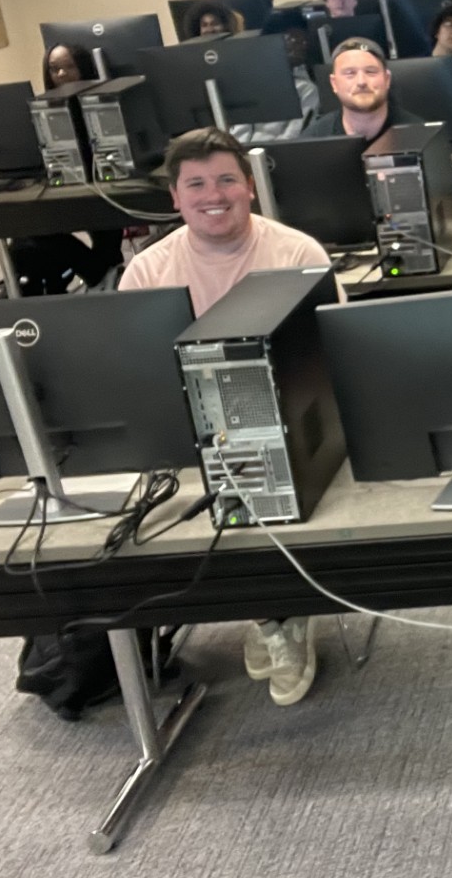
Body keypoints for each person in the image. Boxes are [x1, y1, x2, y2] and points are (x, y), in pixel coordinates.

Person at [119, 127, 342, 707]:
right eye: (195, 184)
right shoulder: (147, 270)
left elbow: (330, 357)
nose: (212, 194)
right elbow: (134, 378)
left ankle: (280, 614)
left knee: (258, 483)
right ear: (175, 197)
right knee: (165, 518)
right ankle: (267, 614)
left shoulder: (297, 253)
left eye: (225, 180)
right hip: (189, 429)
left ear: (249, 186)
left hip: (288, 420)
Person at [15, 45, 123, 294]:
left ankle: (105, 272)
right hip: (61, 186)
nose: (61, 74)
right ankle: (99, 273)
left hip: (104, 186)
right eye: (54, 69)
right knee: (30, 228)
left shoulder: (104, 104)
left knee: (105, 212)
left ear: (84, 68)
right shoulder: (43, 111)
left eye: (69, 67)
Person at [298, 37, 416, 143]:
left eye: (370, 72)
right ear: (334, 84)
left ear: (387, 79)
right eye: (350, 73)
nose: (361, 82)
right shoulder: (314, 141)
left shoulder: (418, 135)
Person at [233, 6, 320, 145]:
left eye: (304, 41)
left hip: (276, 157)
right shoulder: (249, 85)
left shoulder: (305, 89)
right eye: (292, 40)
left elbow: (293, 136)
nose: (301, 46)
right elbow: (238, 131)